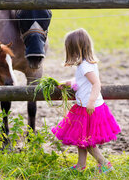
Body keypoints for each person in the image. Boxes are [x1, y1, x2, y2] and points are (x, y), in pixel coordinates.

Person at [51, 28, 121, 173]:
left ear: (75, 49)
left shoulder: (85, 66)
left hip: (89, 107)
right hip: (83, 106)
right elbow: (81, 81)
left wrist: (90, 102)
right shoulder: (86, 64)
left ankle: (104, 163)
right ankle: (80, 165)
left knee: (86, 139)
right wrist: (67, 83)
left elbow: (96, 83)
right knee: (80, 137)